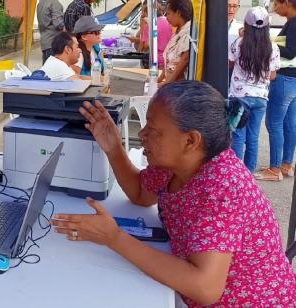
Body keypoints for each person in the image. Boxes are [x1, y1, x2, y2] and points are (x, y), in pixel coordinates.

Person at [51, 81, 296, 307]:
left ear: (190, 140)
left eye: (153, 130)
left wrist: (114, 237)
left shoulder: (222, 186)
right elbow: (140, 193)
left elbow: (205, 287)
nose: (142, 134)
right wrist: (114, 147)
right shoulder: (175, 165)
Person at [230, 7, 280, 173]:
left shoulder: (239, 43)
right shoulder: (273, 48)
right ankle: (248, 174)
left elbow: (229, 63)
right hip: (260, 98)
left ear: (246, 24)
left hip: (238, 97)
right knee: (253, 137)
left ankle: (237, 174)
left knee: (237, 136)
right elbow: (272, 75)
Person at [256, 0, 296, 180]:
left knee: (274, 123)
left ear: (286, 2)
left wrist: (268, 43)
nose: (275, 7)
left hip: (284, 78)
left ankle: (275, 169)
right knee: (289, 123)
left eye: (276, 3)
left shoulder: (294, 23)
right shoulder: (291, 22)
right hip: (293, 79)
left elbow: (290, 51)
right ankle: (286, 164)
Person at [128, 1, 173, 69]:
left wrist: (142, 27)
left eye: (143, 11)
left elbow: (145, 47)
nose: (142, 14)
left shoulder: (149, 25)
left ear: (147, 12)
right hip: (167, 60)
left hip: (154, 61)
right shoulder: (168, 21)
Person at [158, 0, 192, 87]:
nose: (166, 17)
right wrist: (160, 79)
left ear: (178, 13)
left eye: (168, 13)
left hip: (179, 87)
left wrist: (167, 83)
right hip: (172, 85)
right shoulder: (177, 32)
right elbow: (169, 62)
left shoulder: (188, 31)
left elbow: (185, 59)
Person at [37, 0, 65, 64]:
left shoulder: (40, 4)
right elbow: (58, 23)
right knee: (54, 71)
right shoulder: (54, 3)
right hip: (54, 42)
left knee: (46, 71)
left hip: (44, 41)